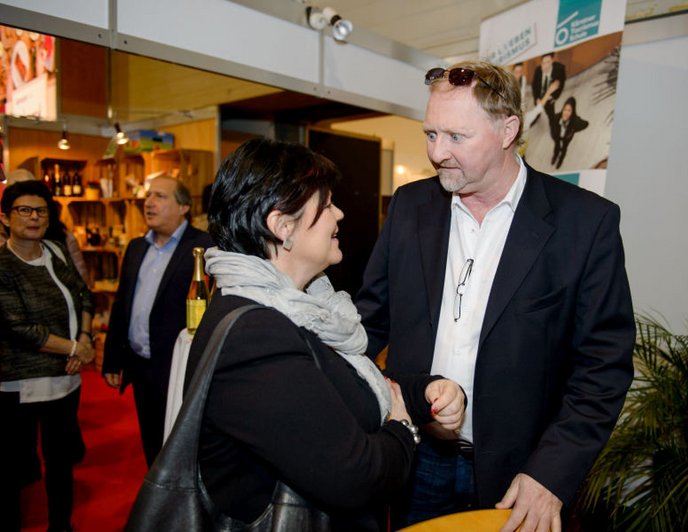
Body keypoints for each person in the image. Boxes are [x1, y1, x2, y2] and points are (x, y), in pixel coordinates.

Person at [356, 61, 635, 532]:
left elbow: (602, 367)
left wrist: (550, 474)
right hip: (415, 456)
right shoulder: (410, 206)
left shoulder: (585, 223)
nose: (437, 152)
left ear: (508, 130)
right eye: (430, 134)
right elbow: (368, 324)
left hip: (522, 474)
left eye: (456, 137)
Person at [183, 138, 465, 530]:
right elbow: (356, 477)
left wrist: (422, 392)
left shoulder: (303, 307)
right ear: (283, 227)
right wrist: (402, 429)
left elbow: (341, 387)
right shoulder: (256, 334)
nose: (340, 214)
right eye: (327, 204)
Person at [0, 180, 95, 532]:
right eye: (24, 210)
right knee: (14, 470)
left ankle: (61, 526)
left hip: (65, 379)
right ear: (5, 218)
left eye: (41, 211)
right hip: (19, 385)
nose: (34, 217)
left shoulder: (55, 250)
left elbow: (84, 294)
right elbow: (19, 327)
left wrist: (84, 337)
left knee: (61, 462)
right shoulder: (3, 264)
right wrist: (75, 348)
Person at [102, 176, 213, 467]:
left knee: (181, 445)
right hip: (141, 364)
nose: (149, 203)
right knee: (151, 441)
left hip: (179, 366)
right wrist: (113, 358)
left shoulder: (203, 248)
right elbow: (122, 303)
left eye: (160, 196)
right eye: (148, 196)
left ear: (184, 207)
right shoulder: (137, 247)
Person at [5, 168, 90, 285]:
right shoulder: (4, 246)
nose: (33, 216)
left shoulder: (61, 241)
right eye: (24, 209)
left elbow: (82, 283)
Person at [545, 96, 589, 170]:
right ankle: (555, 156)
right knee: (557, 146)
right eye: (564, 109)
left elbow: (586, 124)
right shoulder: (557, 117)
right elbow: (551, 124)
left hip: (566, 138)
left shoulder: (574, 120)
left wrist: (574, 130)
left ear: (572, 112)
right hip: (558, 136)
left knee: (564, 149)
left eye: (569, 110)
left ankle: (561, 159)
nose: (566, 113)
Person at [530, 53, 566, 127]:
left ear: (552, 61)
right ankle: (537, 116)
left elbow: (561, 85)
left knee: (551, 114)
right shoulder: (538, 70)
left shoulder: (560, 69)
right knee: (537, 110)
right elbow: (534, 86)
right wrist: (536, 98)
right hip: (539, 96)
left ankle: (553, 126)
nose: (545, 66)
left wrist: (554, 97)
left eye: (548, 62)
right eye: (543, 63)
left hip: (550, 98)